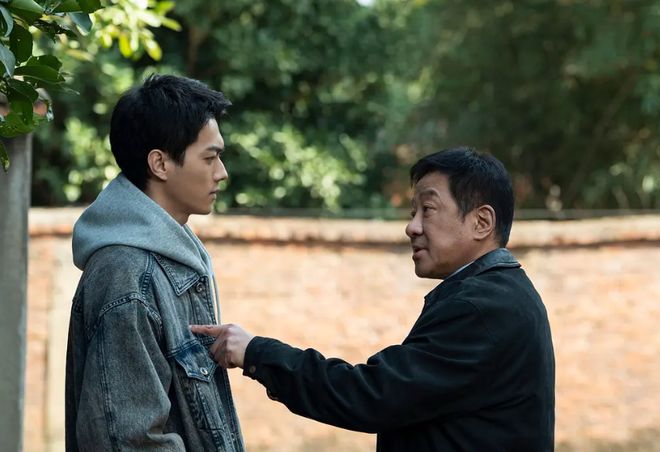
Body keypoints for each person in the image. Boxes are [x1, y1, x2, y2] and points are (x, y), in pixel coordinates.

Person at [192, 147, 555, 451]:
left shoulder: (483, 307)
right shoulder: (501, 294)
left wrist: (256, 352)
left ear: (481, 222)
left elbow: (372, 395)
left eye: (428, 210)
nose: (412, 227)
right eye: (413, 212)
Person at [65, 74, 245, 451]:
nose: (222, 172)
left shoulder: (171, 258)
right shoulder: (127, 276)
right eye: (209, 158)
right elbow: (131, 442)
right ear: (160, 163)